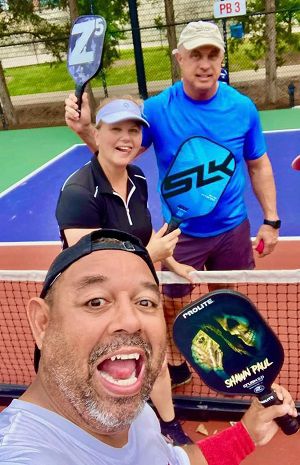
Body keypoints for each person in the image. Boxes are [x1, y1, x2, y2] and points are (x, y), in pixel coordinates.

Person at [64, 20, 281, 388]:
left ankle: (230, 354)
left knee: (231, 298)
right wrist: (87, 130)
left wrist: (271, 220)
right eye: (195, 54)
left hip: (233, 228)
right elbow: (118, 154)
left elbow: (258, 163)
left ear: (222, 58)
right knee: (171, 302)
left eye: (212, 54)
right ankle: (178, 359)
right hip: (180, 236)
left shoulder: (242, 108)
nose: (205, 63)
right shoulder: (159, 109)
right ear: (178, 58)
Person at [0, 228, 297, 465]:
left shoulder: (137, 411)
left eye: (145, 302)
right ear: (42, 323)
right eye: (96, 301)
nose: (131, 321)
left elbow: (173, 460)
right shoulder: (21, 453)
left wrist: (245, 435)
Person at [55, 95, 195, 445]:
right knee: (96, 371)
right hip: (91, 301)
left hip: (134, 291)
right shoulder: (78, 194)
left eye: (133, 129)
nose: (126, 137)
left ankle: (169, 426)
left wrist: (173, 263)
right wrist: (151, 253)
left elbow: (141, 234)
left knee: (155, 359)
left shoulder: (138, 177)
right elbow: (91, 266)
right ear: (96, 133)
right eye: (116, 128)